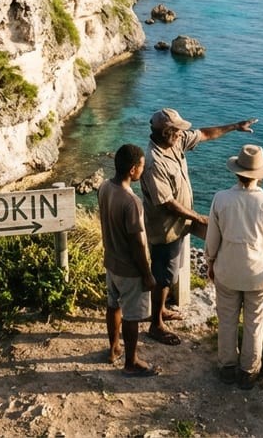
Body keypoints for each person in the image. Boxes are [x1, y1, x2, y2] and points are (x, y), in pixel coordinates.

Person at [141, 108, 257, 346]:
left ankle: (160, 310)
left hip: (178, 225)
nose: (182, 134)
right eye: (177, 130)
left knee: (169, 272)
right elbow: (168, 203)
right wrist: (199, 218)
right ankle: (156, 324)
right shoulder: (154, 162)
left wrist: (235, 126)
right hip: (165, 228)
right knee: (164, 275)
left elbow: (204, 134)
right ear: (166, 132)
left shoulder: (174, 141)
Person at [205, 144, 263, 389]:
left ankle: (227, 367)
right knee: (254, 323)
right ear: (259, 175)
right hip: (258, 273)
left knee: (227, 319)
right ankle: (248, 372)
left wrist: (210, 262)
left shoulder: (221, 198)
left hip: (227, 269)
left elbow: (211, 240)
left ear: (236, 172)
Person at [99, 144, 159, 377]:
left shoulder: (104, 187)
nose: (143, 171)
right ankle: (131, 362)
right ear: (133, 169)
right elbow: (138, 244)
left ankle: (113, 349)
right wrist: (147, 274)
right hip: (129, 269)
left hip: (110, 261)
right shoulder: (132, 202)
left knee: (113, 305)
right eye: (142, 167)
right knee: (132, 316)